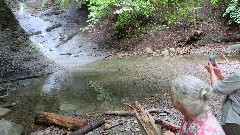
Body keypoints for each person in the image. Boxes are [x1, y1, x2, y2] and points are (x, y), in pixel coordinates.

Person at [204, 59, 240, 135]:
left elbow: (217, 88)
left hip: (235, 120)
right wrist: (219, 74)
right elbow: (233, 85)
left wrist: (212, 72)